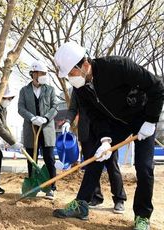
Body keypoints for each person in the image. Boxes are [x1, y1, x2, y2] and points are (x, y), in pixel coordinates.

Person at [53, 41, 164, 230]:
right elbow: (95, 115)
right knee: (96, 158)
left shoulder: (118, 66)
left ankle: (142, 216)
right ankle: (81, 204)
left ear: (84, 65)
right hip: (116, 123)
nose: (70, 79)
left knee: (144, 167)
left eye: (71, 73)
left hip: (142, 118)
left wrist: (151, 120)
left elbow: (157, 86)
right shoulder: (81, 89)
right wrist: (105, 139)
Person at [62, 90, 127, 213]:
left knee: (112, 165)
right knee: (91, 167)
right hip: (87, 133)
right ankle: (96, 197)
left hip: (107, 131)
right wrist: (67, 121)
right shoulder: (77, 88)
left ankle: (119, 199)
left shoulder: (103, 81)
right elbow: (73, 109)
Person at [18, 60, 59, 200]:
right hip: (31, 130)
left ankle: (51, 187)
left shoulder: (50, 89)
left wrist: (46, 118)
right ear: (33, 74)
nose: (43, 75)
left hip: (46, 130)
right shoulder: (24, 91)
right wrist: (31, 118)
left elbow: (55, 107)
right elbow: (20, 108)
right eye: (41, 73)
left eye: (44, 73)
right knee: (31, 159)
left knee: (49, 159)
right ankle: (33, 186)